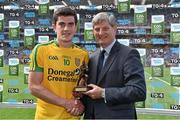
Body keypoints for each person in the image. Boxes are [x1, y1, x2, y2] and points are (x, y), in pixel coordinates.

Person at [28, 7, 89, 119]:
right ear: (54, 27)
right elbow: (33, 86)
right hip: (45, 117)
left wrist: (80, 100)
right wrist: (65, 103)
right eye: (61, 24)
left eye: (71, 24)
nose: (66, 28)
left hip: (71, 117)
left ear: (75, 27)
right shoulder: (41, 50)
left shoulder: (83, 55)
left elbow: (81, 87)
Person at [83, 12, 146, 119]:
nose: (101, 32)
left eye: (105, 28)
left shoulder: (129, 54)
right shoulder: (92, 57)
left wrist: (104, 93)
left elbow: (138, 91)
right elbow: (91, 91)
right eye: (97, 29)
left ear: (114, 29)